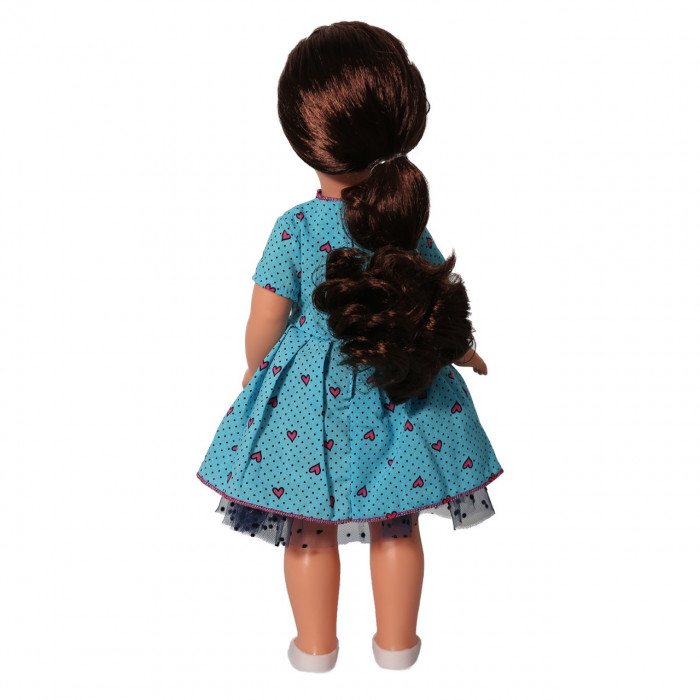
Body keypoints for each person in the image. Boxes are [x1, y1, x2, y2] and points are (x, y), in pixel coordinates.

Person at [196, 20, 504, 673]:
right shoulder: (404, 221)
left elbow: (264, 317)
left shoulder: (295, 227)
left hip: (310, 402)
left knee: (310, 526)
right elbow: (434, 297)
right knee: (397, 520)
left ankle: (315, 650)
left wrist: (255, 369)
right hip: (398, 385)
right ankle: (397, 648)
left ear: (304, 132)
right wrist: (460, 351)